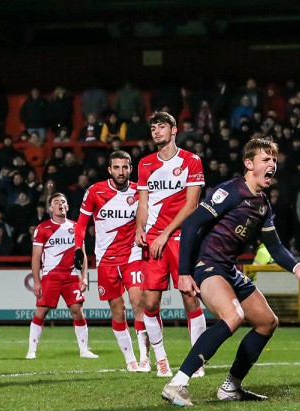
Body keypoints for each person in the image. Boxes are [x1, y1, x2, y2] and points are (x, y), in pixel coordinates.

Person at [161, 138, 300, 406]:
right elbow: (191, 224)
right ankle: (177, 384)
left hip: (228, 269)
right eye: (265, 159)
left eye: (274, 160)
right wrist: (184, 272)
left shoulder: (263, 204)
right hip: (208, 265)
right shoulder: (230, 191)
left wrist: (296, 266)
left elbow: (274, 245)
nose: (272, 165)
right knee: (233, 316)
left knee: (267, 322)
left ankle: (231, 387)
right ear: (249, 164)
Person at [135, 112, 207, 378]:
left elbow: (192, 205)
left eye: (161, 126)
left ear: (174, 130)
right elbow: (143, 204)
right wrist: (139, 228)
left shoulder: (191, 160)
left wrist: (165, 234)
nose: (156, 131)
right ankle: (161, 358)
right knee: (150, 302)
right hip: (153, 240)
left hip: (180, 238)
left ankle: (197, 360)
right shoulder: (145, 164)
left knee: (190, 297)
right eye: (153, 127)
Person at [74, 150, 150, 372]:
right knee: (117, 310)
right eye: (116, 167)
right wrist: (78, 247)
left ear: (131, 169)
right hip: (106, 260)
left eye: (125, 167)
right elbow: (81, 224)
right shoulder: (95, 191)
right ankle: (130, 360)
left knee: (138, 301)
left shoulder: (139, 191)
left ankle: (145, 358)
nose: (121, 171)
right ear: (109, 170)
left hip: (132, 255)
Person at [26, 193, 97, 360]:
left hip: (71, 276)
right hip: (50, 276)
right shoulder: (42, 228)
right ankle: (31, 350)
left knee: (77, 310)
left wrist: (84, 276)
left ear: (67, 207)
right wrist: (37, 281)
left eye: (63, 202)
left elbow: (82, 254)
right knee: (41, 311)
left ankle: (84, 350)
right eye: (56, 202)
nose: (60, 204)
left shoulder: (76, 227)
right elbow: (36, 257)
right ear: (51, 208)